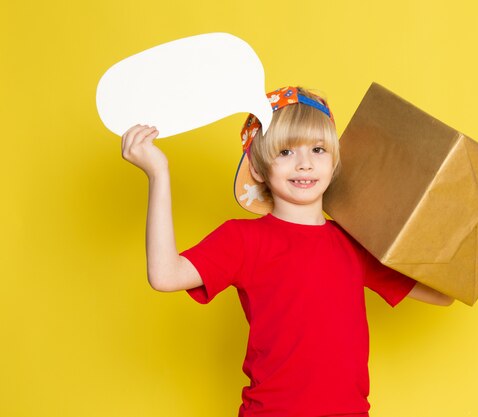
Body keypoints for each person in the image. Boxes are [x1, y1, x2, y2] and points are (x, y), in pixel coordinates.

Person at [121, 86, 453, 417]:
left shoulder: (355, 243)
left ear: (335, 161)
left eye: (318, 149)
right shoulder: (243, 240)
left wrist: (475, 196)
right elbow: (165, 275)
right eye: (285, 152)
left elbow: (443, 292)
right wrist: (158, 174)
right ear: (258, 168)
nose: (305, 164)